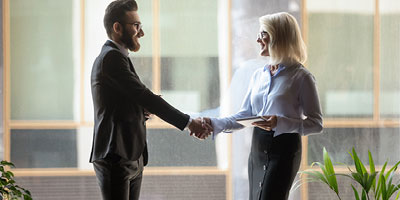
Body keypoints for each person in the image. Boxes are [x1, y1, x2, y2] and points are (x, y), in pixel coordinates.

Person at [89, 1, 212, 200]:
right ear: (117, 28)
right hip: (115, 155)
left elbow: (127, 101)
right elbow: (144, 96)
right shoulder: (110, 58)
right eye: (136, 26)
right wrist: (189, 123)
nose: (141, 33)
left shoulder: (120, 57)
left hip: (130, 154)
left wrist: (142, 109)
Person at [203, 12, 323, 200]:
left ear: (279, 36)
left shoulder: (302, 77)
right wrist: (213, 123)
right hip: (257, 148)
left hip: (284, 151)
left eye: (263, 34)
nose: (258, 40)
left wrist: (280, 123)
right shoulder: (259, 75)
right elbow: (244, 115)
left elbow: (316, 123)